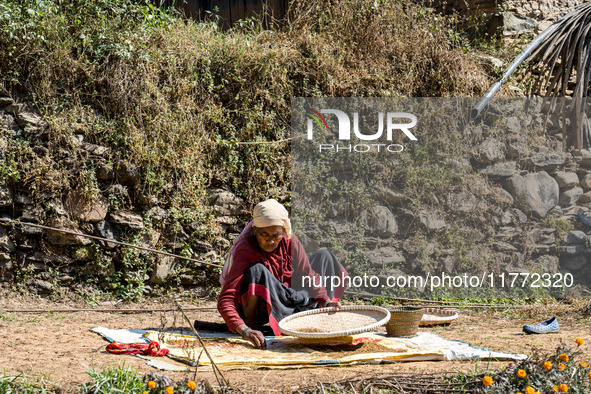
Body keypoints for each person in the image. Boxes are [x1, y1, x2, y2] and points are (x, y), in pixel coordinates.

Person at [217, 199, 347, 349]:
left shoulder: (289, 240)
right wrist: (244, 329)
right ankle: (255, 326)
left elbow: (308, 274)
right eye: (264, 234)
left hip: (284, 296)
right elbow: (226, 299)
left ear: (283, 232)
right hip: (262, 306)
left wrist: (325, 300)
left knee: (324, 257)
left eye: (276, 235)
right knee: (256, 270)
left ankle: (316, 313)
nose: (271, 241)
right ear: (255, 231)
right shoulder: (247, 249)